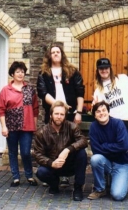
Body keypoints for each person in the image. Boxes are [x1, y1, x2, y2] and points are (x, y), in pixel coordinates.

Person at [36, 42, 85, 187]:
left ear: (62, 54)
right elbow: (42, 93)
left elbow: (80, 91)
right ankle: (53, 172)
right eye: (53, 52)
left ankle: (65, 175)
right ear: (49, 56)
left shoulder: (72, 71)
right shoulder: (44, 73)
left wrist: (79, 112)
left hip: (70, 114)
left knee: (68, 142)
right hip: (53, 113)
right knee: (52, 144)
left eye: (58, 51)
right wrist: (59, 106)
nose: (56, 54)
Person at [33, 100, 88, 201]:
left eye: (62, 114)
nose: (59, 116)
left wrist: (68, 149)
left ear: (65, 116)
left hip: (69, 164)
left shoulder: (72, 127)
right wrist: (51, 163)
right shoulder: (42, 132)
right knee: (41, 172)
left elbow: (83, 141)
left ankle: (78, 188)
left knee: (82, 154)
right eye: (56, 114)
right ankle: (54, 184)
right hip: (53, 165)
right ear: (51, 115)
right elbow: (37, 154)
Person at [0, 61, 39, 187]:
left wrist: (35, 125)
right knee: (13, 152)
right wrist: (4, 126)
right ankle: (15, 177)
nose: (20, 74)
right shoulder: (6, 90)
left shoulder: (30, 89)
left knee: (26, 152)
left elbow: (35, 109)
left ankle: (29, 175)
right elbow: (1, 109)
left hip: (27, 126)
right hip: (11, 126)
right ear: (12, 74)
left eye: (22, 71)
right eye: (17, 72)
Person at [93, 58, 128, 172]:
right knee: (113, 148)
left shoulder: (122, 78)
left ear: (110, 68)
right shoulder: (98, 89)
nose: (104, 70)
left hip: (127, 119)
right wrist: (94, 105)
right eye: (101, 68)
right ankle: (111, 173)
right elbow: (98, 111)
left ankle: (126, 173)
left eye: (106, 68)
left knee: (127, 148)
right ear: (98, 70)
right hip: (112, 123)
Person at [88, 101, 128, 201]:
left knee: (117, 195)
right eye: (98, 111)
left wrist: (104, 146)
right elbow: (96, 149)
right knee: (95, 159)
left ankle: (122, 177)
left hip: (122, 163)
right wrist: (116, 148)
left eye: (104, 110)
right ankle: (100, 189)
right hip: (106, 162)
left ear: (108, 112)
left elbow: (125, 146)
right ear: (94, 115)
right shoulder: (93, 127)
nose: (101, 113)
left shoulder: (118, 123)